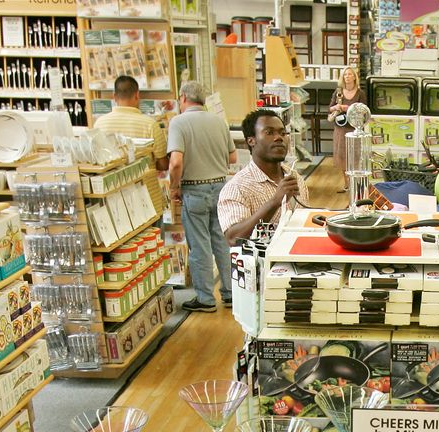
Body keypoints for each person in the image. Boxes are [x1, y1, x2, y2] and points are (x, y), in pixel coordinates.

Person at [168, 81, 236, 312]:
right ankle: (230, 293)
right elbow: (233, 157)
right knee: (221, 242)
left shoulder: (178, 122)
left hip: (194, 189)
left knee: (199, 246)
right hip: (220, 188)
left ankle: (206, 298)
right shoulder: (218, 121)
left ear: (183, 98)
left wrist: (174, 187)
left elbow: (176, 162)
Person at [218, 109, 308, 244]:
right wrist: (274, 202)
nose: (279, 138)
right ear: (251, 141)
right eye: (269, 132)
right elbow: (233, 238)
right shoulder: (237, 188)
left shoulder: (295, 178)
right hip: (264, 258)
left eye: (283, 133)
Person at [93, 75, 168, 170]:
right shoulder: (150, 124)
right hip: (145, 178)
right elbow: (163, 164)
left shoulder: (99, 124)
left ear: (114, 97)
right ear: (137, 95)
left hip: (111, 179)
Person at [328, 66, 366, 193]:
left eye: (350, 74)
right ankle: (347, 184)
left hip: (355, 129)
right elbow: (330, 108)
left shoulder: (360, 93)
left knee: (355, 156)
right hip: (341, 128)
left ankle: (355, 184)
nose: (347, 76)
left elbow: (364, 110)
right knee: (342, 156)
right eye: (345, 74)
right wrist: (336, 107)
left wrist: (348, 108)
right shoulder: (338, 92)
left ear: (355, 77)